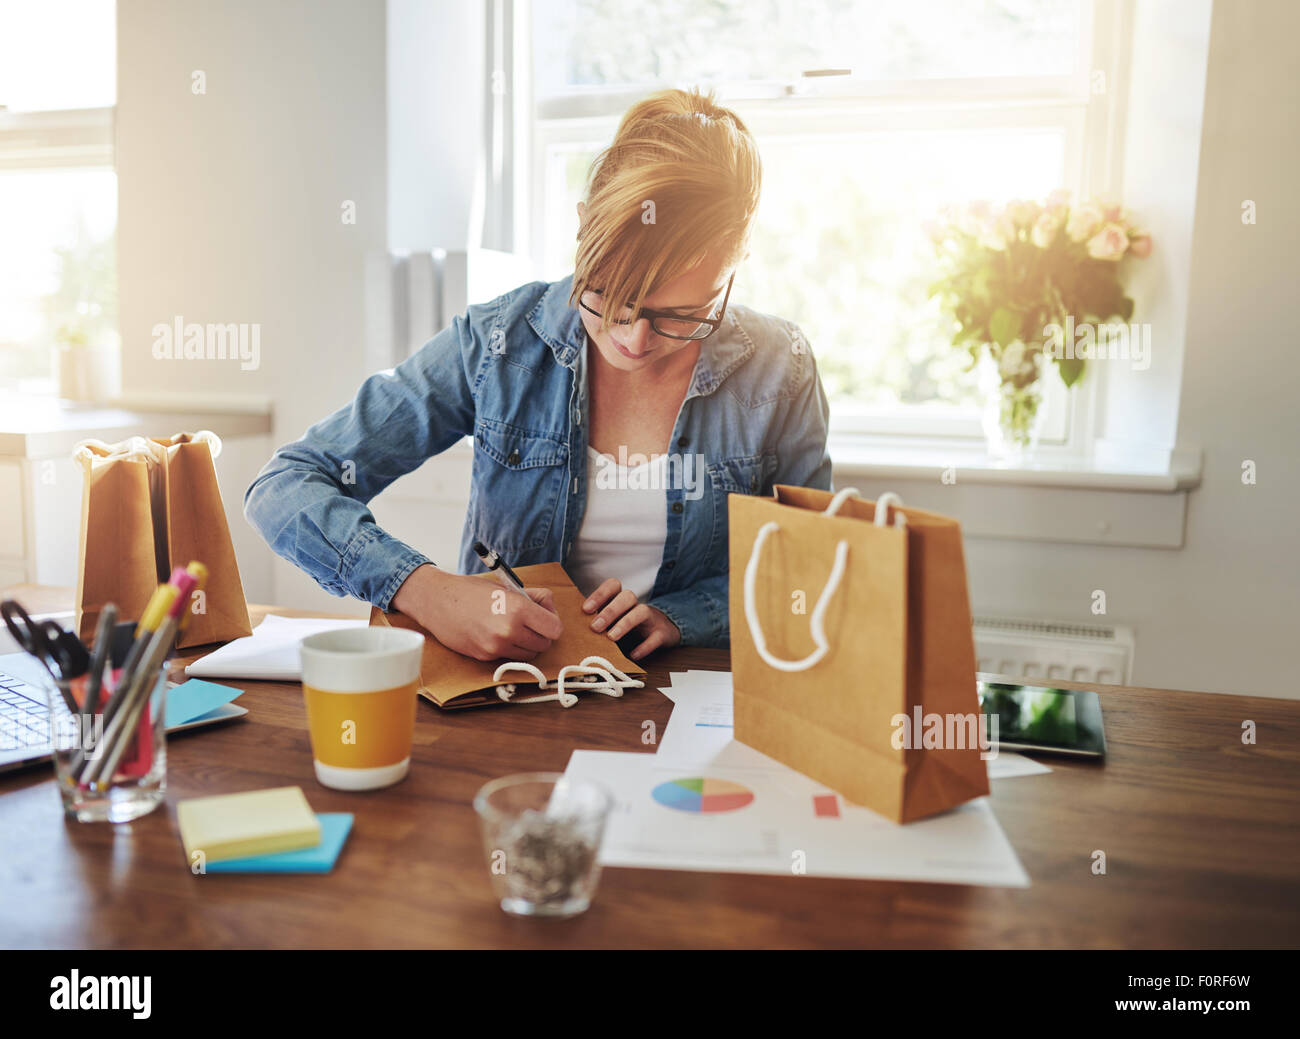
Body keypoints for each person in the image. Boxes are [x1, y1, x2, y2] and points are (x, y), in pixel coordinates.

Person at [245, 88, 831, 664]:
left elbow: (813, 565)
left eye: (679, 316)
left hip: (692, 703)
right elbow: (286, 484)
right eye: (609, 297)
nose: (633, 340)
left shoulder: (782, 368)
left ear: (736, 265)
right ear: (582, 229)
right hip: (508, 701)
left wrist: (686, 616)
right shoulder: (497, 343)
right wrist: (425, 590)